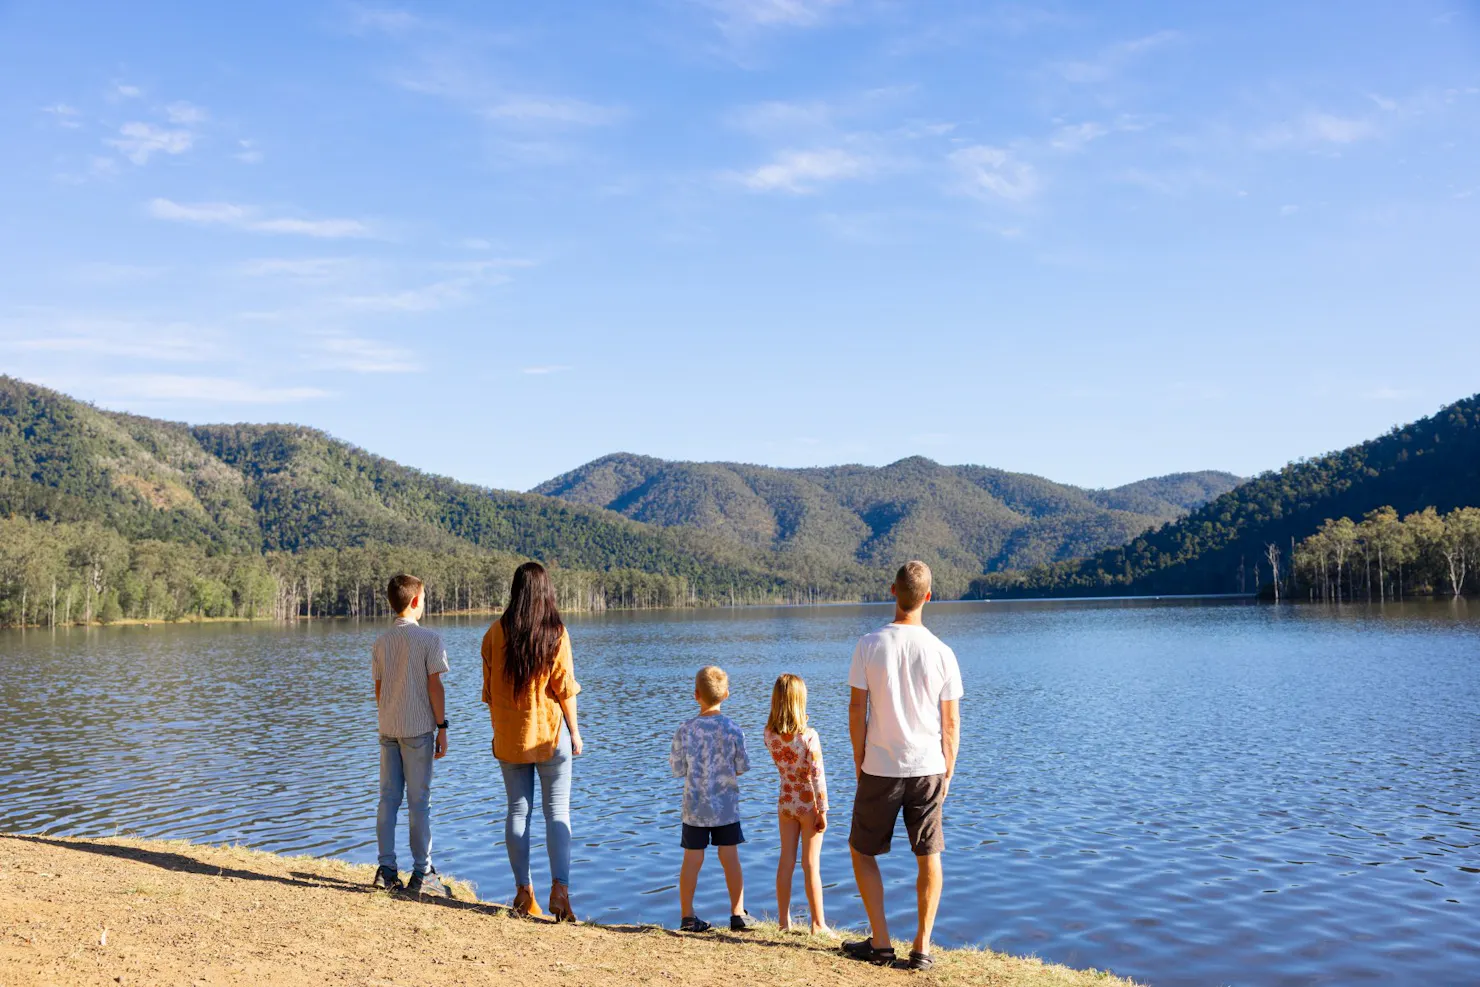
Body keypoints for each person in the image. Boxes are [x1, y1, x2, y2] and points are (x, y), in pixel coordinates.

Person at [842, 561, 963, 972]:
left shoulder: (869, 644)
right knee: (929, 854)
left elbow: (857, 709)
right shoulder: (943, 652)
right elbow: (950, 721)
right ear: (929, 596)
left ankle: (879, 942)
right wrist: (948, 769)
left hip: (879, 765)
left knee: (861, 850)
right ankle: (922, 947)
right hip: (928, 766)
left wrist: (859, 759)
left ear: (892, 590)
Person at [481, 561, 583, 922]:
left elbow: (489, 693)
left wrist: (503, 726)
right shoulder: (555, 631)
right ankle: (561, 892)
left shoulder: (495, 632)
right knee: (557, 812)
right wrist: (575, 731)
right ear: (546, 592)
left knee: (517, 811)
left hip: (510, 738)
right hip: (550, 735)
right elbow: (564, 688)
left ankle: (524, 893)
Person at [371, 573, 451, 897]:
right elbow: (435, 686)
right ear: (416, 601)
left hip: (388, 729)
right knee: (420, 803)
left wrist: (390, 714)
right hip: (418, 731)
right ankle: (423, 873)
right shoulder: (430, 640)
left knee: (388, 800)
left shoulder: (380, 642)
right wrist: (443, 727)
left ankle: (386, 870)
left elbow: (378, 690)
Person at [669, 665, 757, 933]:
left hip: (694, 808)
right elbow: (742, 766)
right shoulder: (733, 729)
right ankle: (737, 913)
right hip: (726, 808)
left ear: (696, 694)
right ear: (727, 694)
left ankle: (687, 916)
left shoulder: (685, 729)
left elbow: (677, 769)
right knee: (730, 857)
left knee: (692, 860)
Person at [762, 673, 832, 937]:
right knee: (811, 864)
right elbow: (817, 775)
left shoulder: (769, 734)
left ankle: (783, 921)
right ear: (800, 701)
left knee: (786, 861)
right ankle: (817, 924)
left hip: (785, 802)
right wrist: (822, 811)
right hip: (808, 805)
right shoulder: (809, 737)